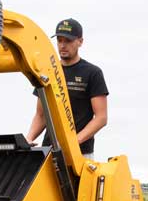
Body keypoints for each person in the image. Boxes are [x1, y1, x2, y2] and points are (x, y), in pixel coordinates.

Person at [25, 18, 108, 157]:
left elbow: (101, 118)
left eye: (68, 41)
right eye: (59, 40)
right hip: (49, 152)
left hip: (80, 154)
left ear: (80, 41)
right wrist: (29, 138)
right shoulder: (47, 72)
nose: (62, 45)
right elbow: (41, 115)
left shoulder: (92, 73)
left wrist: (74, 143)